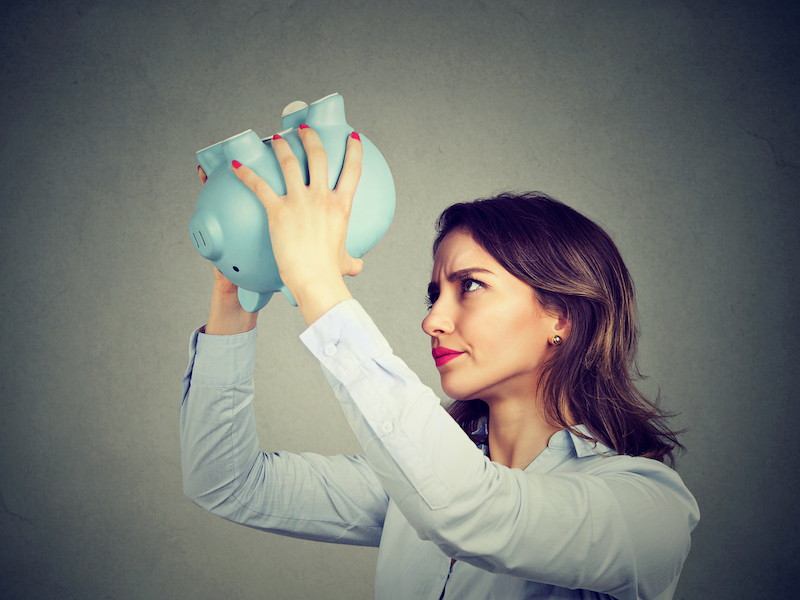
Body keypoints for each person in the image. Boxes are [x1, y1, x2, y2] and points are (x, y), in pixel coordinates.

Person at [180, 125, 699, 600]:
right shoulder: (414, 481)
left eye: (470, 286)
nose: (433, 322)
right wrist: (236, 286)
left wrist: (316, 281)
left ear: (559, 315)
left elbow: (468, 511)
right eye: (434, 296)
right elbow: (227, 481)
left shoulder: (648, 512)